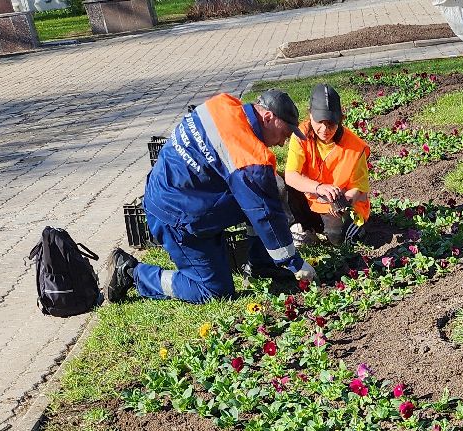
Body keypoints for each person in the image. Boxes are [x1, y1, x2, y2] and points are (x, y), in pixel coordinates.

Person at [105, 89, 310, 305]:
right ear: (268, 117)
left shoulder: (224, 104)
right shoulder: (249, 158)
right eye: (285, 134)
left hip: (174, 189)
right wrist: (294, 262)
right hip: (176, 215)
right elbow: (265, 213)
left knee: (269, 187)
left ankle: (261, 265)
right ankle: (132, 273)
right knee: (214, 292)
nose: (282, 144)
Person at [282, 83, 372, 245]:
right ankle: (298, 228)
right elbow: (291, 176)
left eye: (331, 123)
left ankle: (316, 231)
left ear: (340, 119)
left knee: (337, 235)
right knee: (277, 183)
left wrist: (342, 202)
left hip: (335, 206)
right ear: (310, 115)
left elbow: (359, 190)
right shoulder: (300, 135)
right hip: (308, 197)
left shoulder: (355, 147)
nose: (324, 129)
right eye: (319, 122)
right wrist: (318, 187)